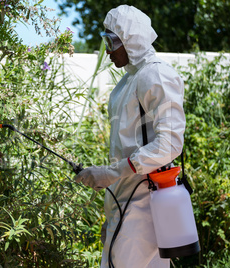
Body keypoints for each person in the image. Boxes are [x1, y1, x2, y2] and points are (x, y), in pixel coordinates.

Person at [74, 5, 186, 268]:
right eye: (106, 40)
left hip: (147, 201)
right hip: (127, 200)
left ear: (131, 39)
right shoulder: (128, 81)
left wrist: (111, 173)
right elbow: (127, 146)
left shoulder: (155, 74)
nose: (109, 50)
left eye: (113, 41)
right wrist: (112, 213)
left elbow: (169, 142)